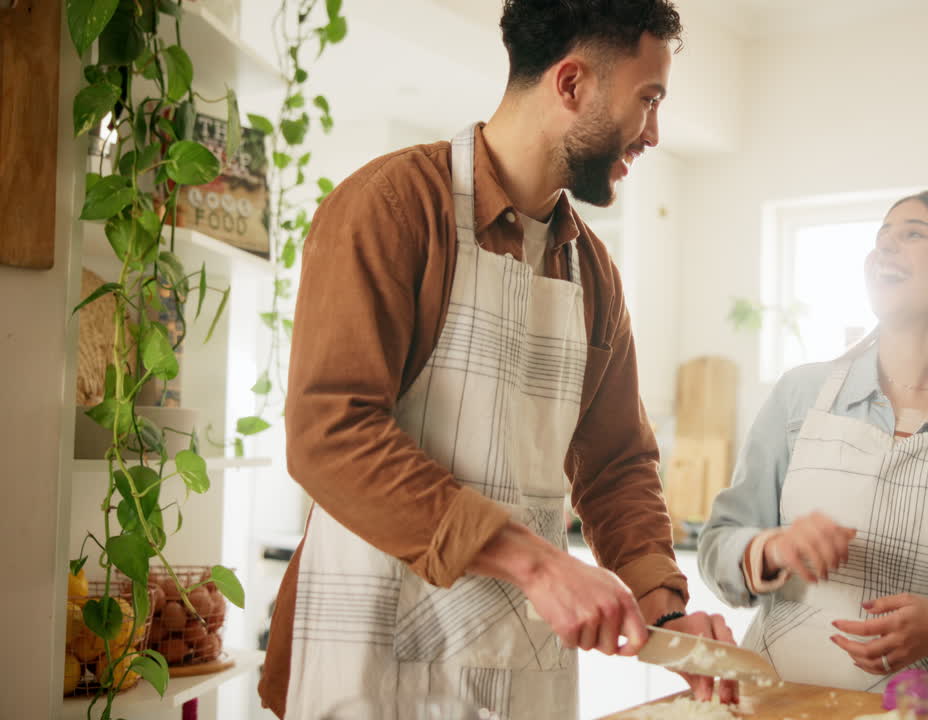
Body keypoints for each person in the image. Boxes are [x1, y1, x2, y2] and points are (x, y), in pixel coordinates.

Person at [259, 2, 738, 718]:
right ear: (571, 85)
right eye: (649, 100)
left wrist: (664, 614)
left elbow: (616, 468)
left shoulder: (592, 274)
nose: (655, 133)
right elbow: (331, 433)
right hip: (369, 656)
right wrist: (539, 563)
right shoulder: (390, 209)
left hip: (520, 668)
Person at [698, 191, 928, 692]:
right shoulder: (799, 396)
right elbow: (718, 545)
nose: (884, 247)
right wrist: (771, 547)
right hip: (775, 704)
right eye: (880, 237)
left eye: (913, 233)